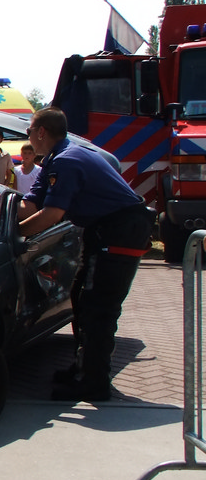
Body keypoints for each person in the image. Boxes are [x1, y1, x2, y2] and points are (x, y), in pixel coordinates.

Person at [19, 107, 151, 401]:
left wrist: (15, 235)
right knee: (80, 298)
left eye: (29, 131)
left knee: (98, 308)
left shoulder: (66, 160)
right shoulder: (55, 159)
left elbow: (51, 214)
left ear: (41, 132)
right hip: (104, 230)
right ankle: (85, 367)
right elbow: (30, 205)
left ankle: (94, 382)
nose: (28, 136)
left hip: (120, 230)